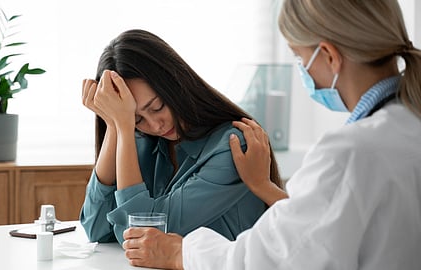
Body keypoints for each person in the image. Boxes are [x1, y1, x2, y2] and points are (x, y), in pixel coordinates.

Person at [122, 0, 421, 269]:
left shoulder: (351, 152)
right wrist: (262, 185)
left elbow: (274, 258)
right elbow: (321, 226)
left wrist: (180, 252)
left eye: (299, 58)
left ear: (328, 55)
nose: (302, 71)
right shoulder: (405, 126)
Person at [79, 29, 285, 245]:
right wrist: (114, 124)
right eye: (137, 119)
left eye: (157, 107)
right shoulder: (143, 143)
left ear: (174, 84)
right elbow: (96, 229)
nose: (155, 125)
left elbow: (144, 236)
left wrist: (123, 125)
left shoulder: (233, 146)